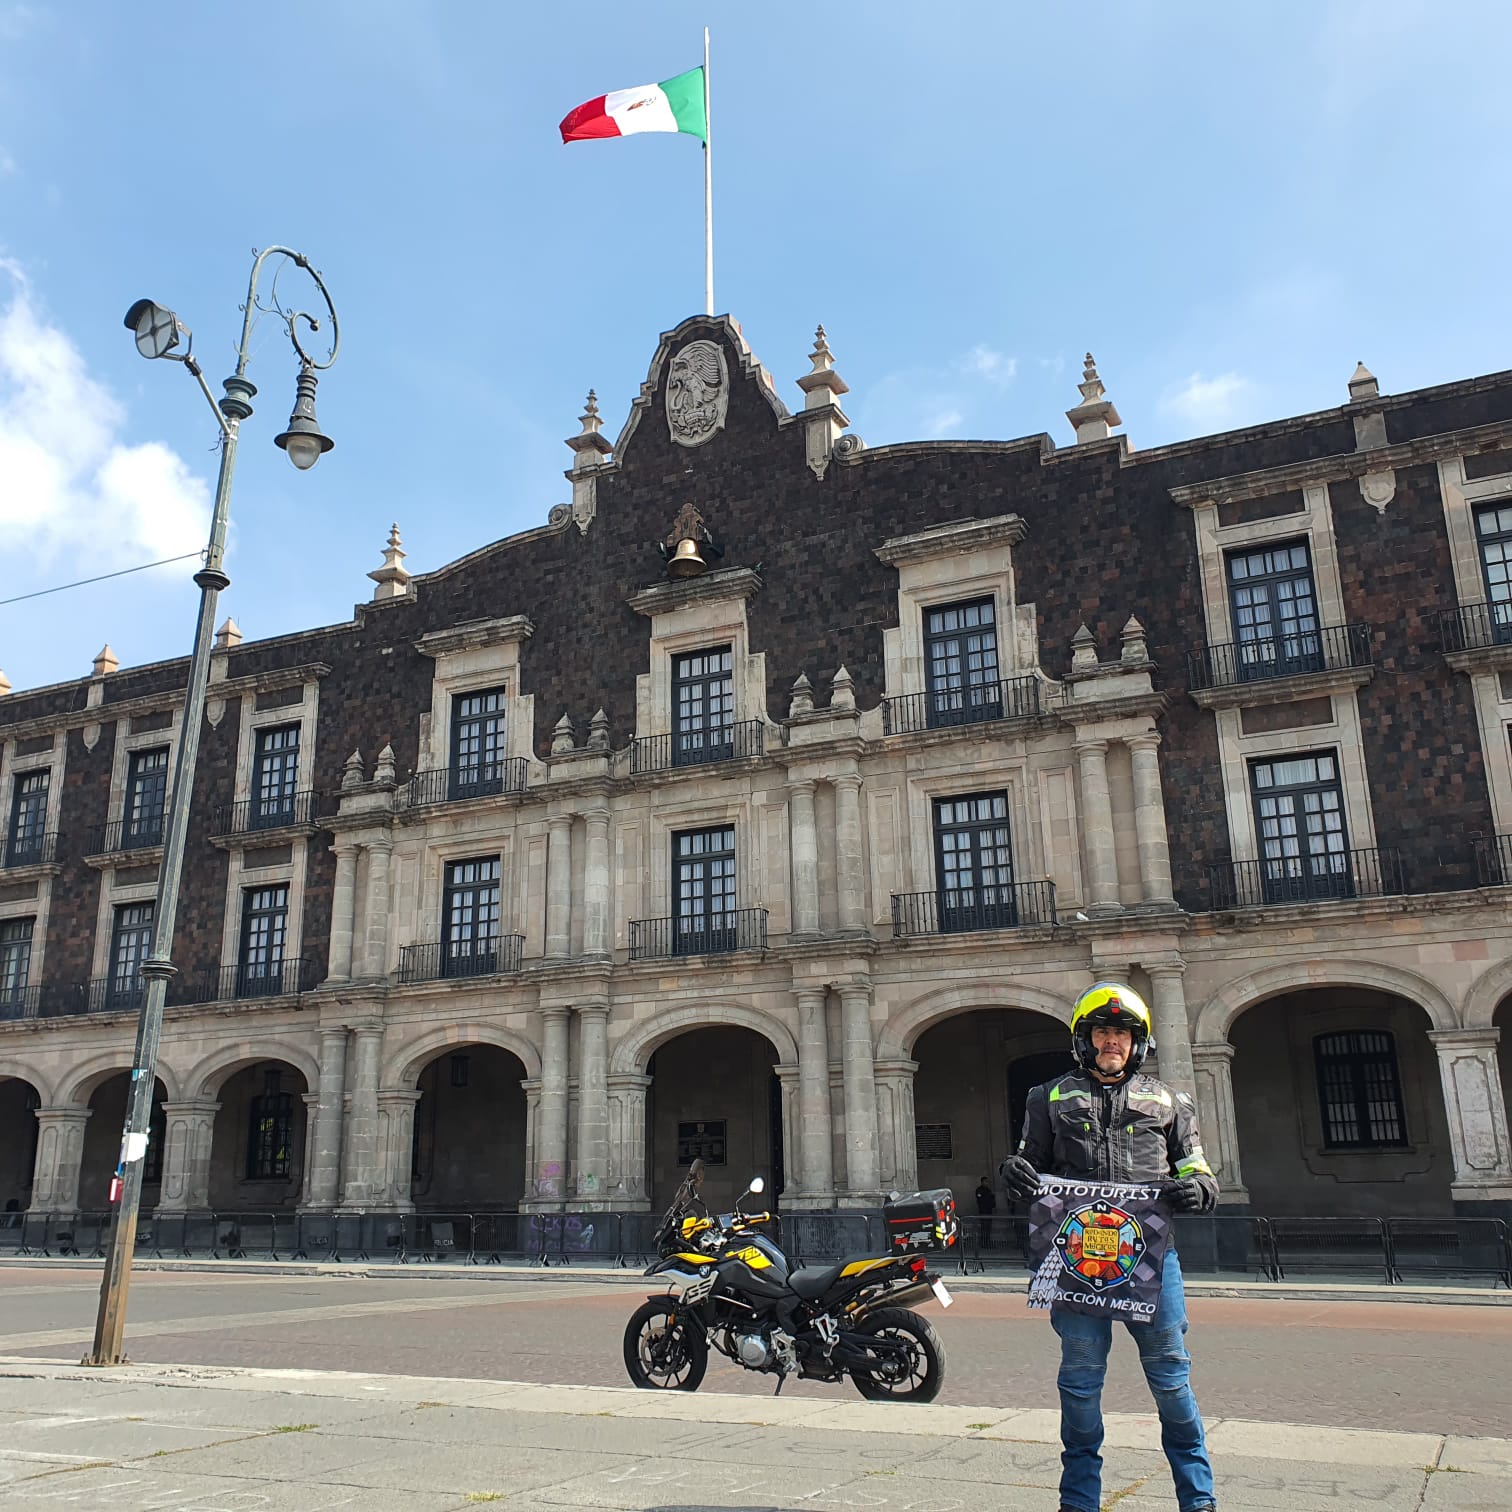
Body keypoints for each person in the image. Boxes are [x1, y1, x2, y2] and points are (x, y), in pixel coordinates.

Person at [1000, 982, 1219, 1512]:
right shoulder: (1045, 1097)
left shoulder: (1171, 1101)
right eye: (1101, 1031)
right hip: (1074, 1264)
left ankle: (1198, 1500)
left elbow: (1200, 1171)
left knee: (1170, 1377)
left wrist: (1198, 1189)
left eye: (1121, 1033)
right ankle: (1078, 1503)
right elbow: (1031, 1164)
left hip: (1151, 1260)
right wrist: (1014, 1173)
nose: (1111, 1042)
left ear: (1137, 1043)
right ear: (1084, 1039)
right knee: (1079, 1381)